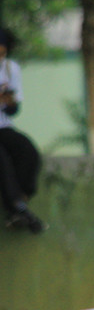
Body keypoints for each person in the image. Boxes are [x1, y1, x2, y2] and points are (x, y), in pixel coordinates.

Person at [0, 28, 46, 234]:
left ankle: (21, 199)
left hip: (3, 126)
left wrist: (8, 101)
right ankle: (16, 207)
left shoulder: (10, 69)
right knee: (2, 159)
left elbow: (13, 109)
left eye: (2, 53)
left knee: (27, 151)